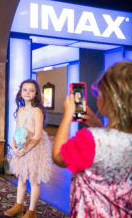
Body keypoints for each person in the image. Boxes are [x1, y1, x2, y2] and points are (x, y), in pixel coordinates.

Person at [52, 62, 132, 218]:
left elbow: (58, 156)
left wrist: (67, 115)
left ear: (110, 100)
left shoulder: (92, 139)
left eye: (99, 93)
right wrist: (99, 125)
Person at [5, 79, 52, 218]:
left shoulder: (37, 111)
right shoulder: (20, 110)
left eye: (31, 90)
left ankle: (32, 211)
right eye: (25, 89)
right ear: (20, 92)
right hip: (22, 145)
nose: (27, 92)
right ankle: (19, 205)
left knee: (34, 179)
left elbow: (37, 136)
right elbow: (18, 130)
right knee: (21, 177)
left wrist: (25, 149)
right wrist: (14, 146)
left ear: (36, 93)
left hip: (34, 147)